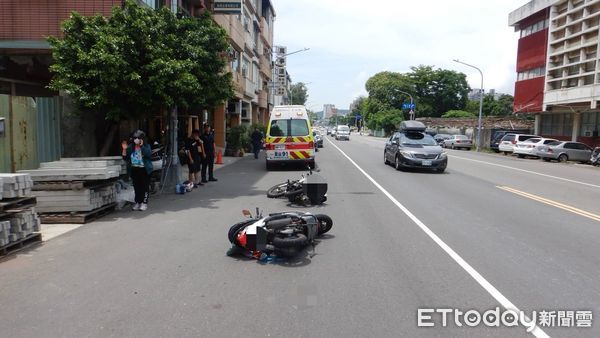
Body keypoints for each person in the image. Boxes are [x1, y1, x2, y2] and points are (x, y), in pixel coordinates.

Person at [122, 130, 153, 211]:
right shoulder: (131, 147)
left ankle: (144, 203)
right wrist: (124, 149)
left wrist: (141, 146)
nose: (136, 140)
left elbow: (148, 154)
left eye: (138, 138)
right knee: (137, 187)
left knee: (145, 187)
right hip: (135, 169)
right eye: (135, 138)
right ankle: (138, 202)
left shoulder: (146, 146)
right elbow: (125, 157)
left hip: (144, 169)